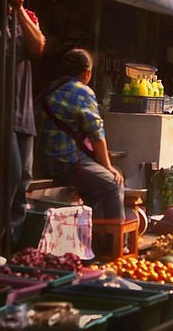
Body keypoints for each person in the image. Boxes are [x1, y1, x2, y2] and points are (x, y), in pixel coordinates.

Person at [0, 0, 45, 245]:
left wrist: (20, 9)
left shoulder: (29, 16)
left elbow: (38, 47)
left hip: (24, 114)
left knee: (22, 179)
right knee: (7, 175)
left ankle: (12, 245)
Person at [37, 49, 125, 220]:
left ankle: (92, 236)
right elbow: (96, 135)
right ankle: (115, 244)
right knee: (114, 183)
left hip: (43, 162)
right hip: (66, 163)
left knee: (97, 185)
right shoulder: (82, 92)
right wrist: (108, 166)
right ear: (87, 73)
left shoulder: (48, 89)